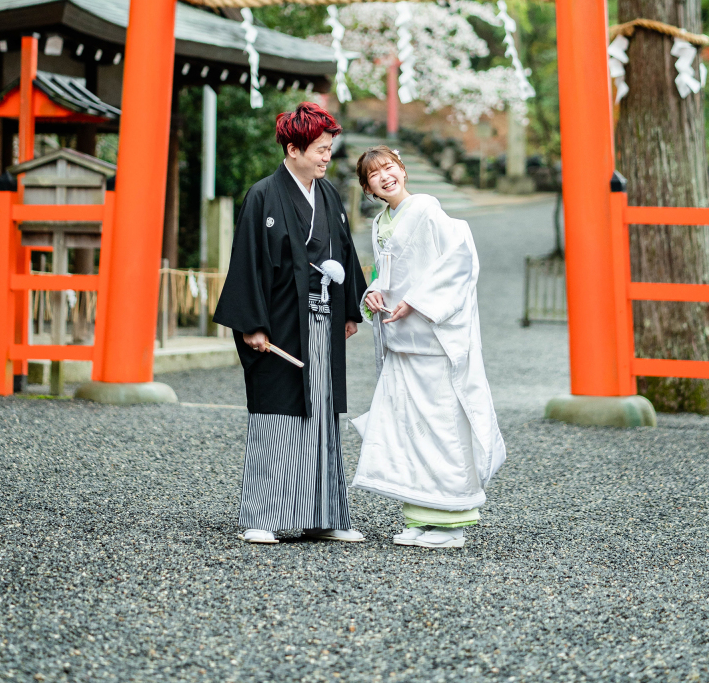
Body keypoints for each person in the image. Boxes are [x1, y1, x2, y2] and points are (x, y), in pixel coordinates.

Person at [214, 102, 367, 545]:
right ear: (293, 147)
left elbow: (344, 254)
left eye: (329, 149)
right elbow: (247, 263)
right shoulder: (264, 194)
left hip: (321, 320)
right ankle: (263, 515)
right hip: (279, 323)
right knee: (276, 414)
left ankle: (322, 516)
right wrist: (252, 323)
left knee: (321, 413)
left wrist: (349, 310)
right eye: (320, 149)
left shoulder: (329, 196)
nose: (326, 157)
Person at [351, 145, 506, 549]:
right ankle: (419, 516)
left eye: (389, 167)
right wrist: (371, 293)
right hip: (401, 341)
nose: (384, 176)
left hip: (431, 338)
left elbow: (460, 260)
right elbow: (384, 274)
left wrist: (417, 301)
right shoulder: (382, 221)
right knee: (406, 430)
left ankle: (450, 523)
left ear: (401, 168)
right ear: (368, 188)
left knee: (440, 428)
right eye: (374, 174)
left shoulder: (427, 208)